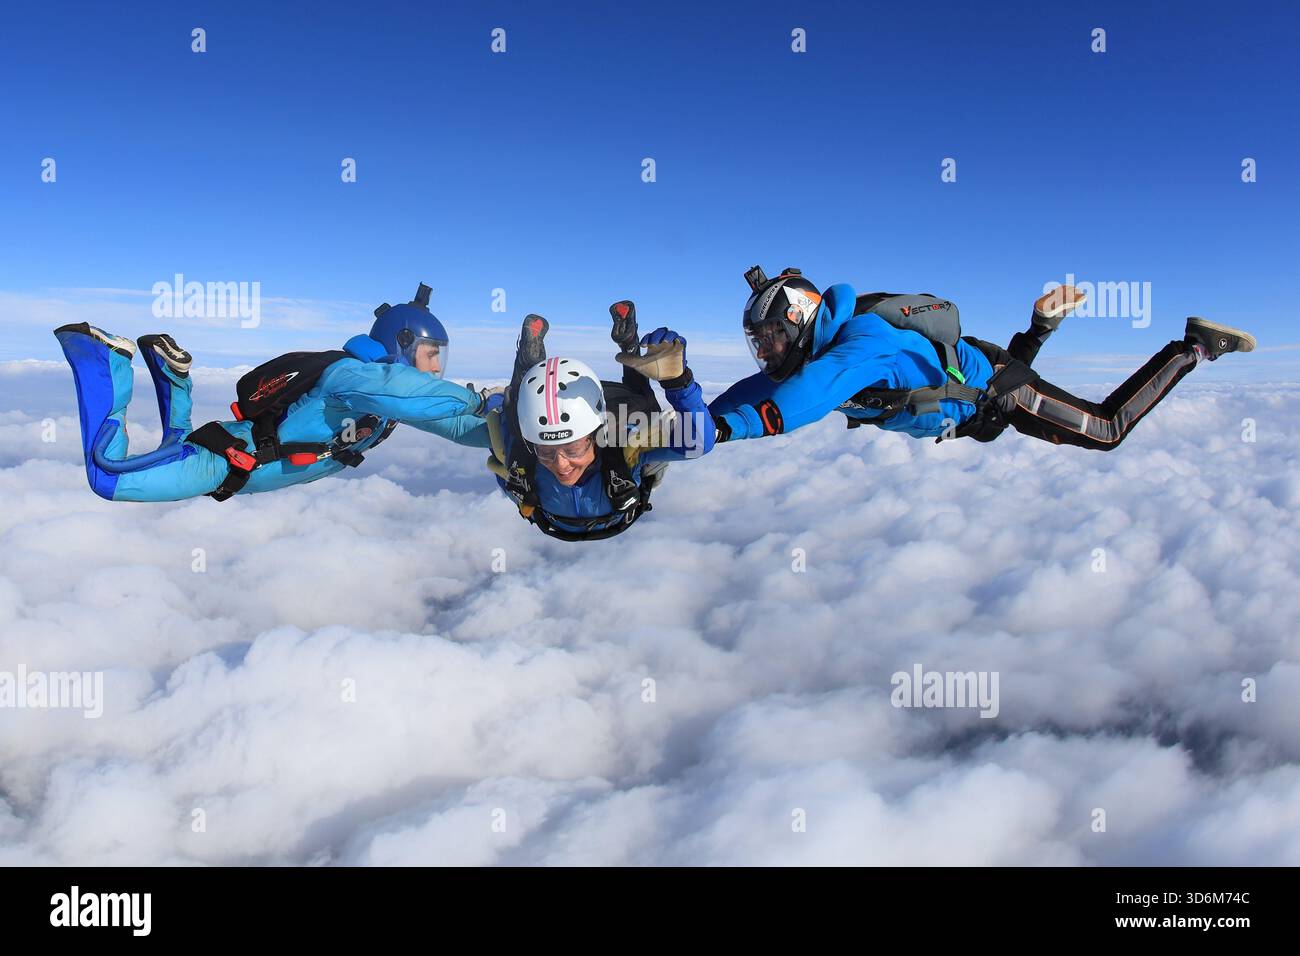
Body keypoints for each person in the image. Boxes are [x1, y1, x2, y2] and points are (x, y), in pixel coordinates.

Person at [709, 266, 1255, 449]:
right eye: (759, 342)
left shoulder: (861, 343)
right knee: (984, 391)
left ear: (802, 318)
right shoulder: (820, 352)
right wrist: (694, 426)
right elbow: (758, 392)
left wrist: (731, 431)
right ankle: (1040, 327)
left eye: (773, 336)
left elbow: (797, 401)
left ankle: (1195, 347)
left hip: (1001, 390)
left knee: (1106, 430)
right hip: (981, 390)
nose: (766, 351)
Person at [53, 283, 501, 502]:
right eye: (429, 353)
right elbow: (417, 395)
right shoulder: (357, 378)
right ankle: (103, 361)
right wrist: (481, 400)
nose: (438, 365)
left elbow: (458, 426)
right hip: (223, 461)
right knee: (106, 478)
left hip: (233, 464)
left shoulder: (383, 399)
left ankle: (173, 376)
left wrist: (511, 429)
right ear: (402, 344)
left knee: (176, 444)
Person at [486, 300, 715, 540]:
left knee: (511, 423)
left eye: (572, 449)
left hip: (605, 424)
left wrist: (679, 383)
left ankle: (527, 366)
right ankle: (628, 346)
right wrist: (677, 383)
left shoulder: (621, 449)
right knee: (642, 405)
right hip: (586, 481)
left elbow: (697, 444)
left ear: (595, 437)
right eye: (546, 451)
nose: (561, 465)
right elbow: (696, 444)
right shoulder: (625, 454)